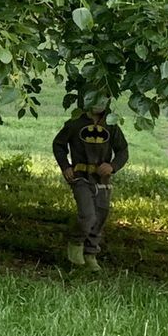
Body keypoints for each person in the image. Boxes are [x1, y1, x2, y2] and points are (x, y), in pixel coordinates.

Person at [52, 99, 128, 271]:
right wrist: (65, 166)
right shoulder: (75, 123)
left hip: (102, 181)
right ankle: (76, 243)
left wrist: (113, 166)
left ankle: (90, 253)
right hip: (80, 178)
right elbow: (59, 145)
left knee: (100, 215)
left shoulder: (111, 124)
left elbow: (123, 150)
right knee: (88, 215)